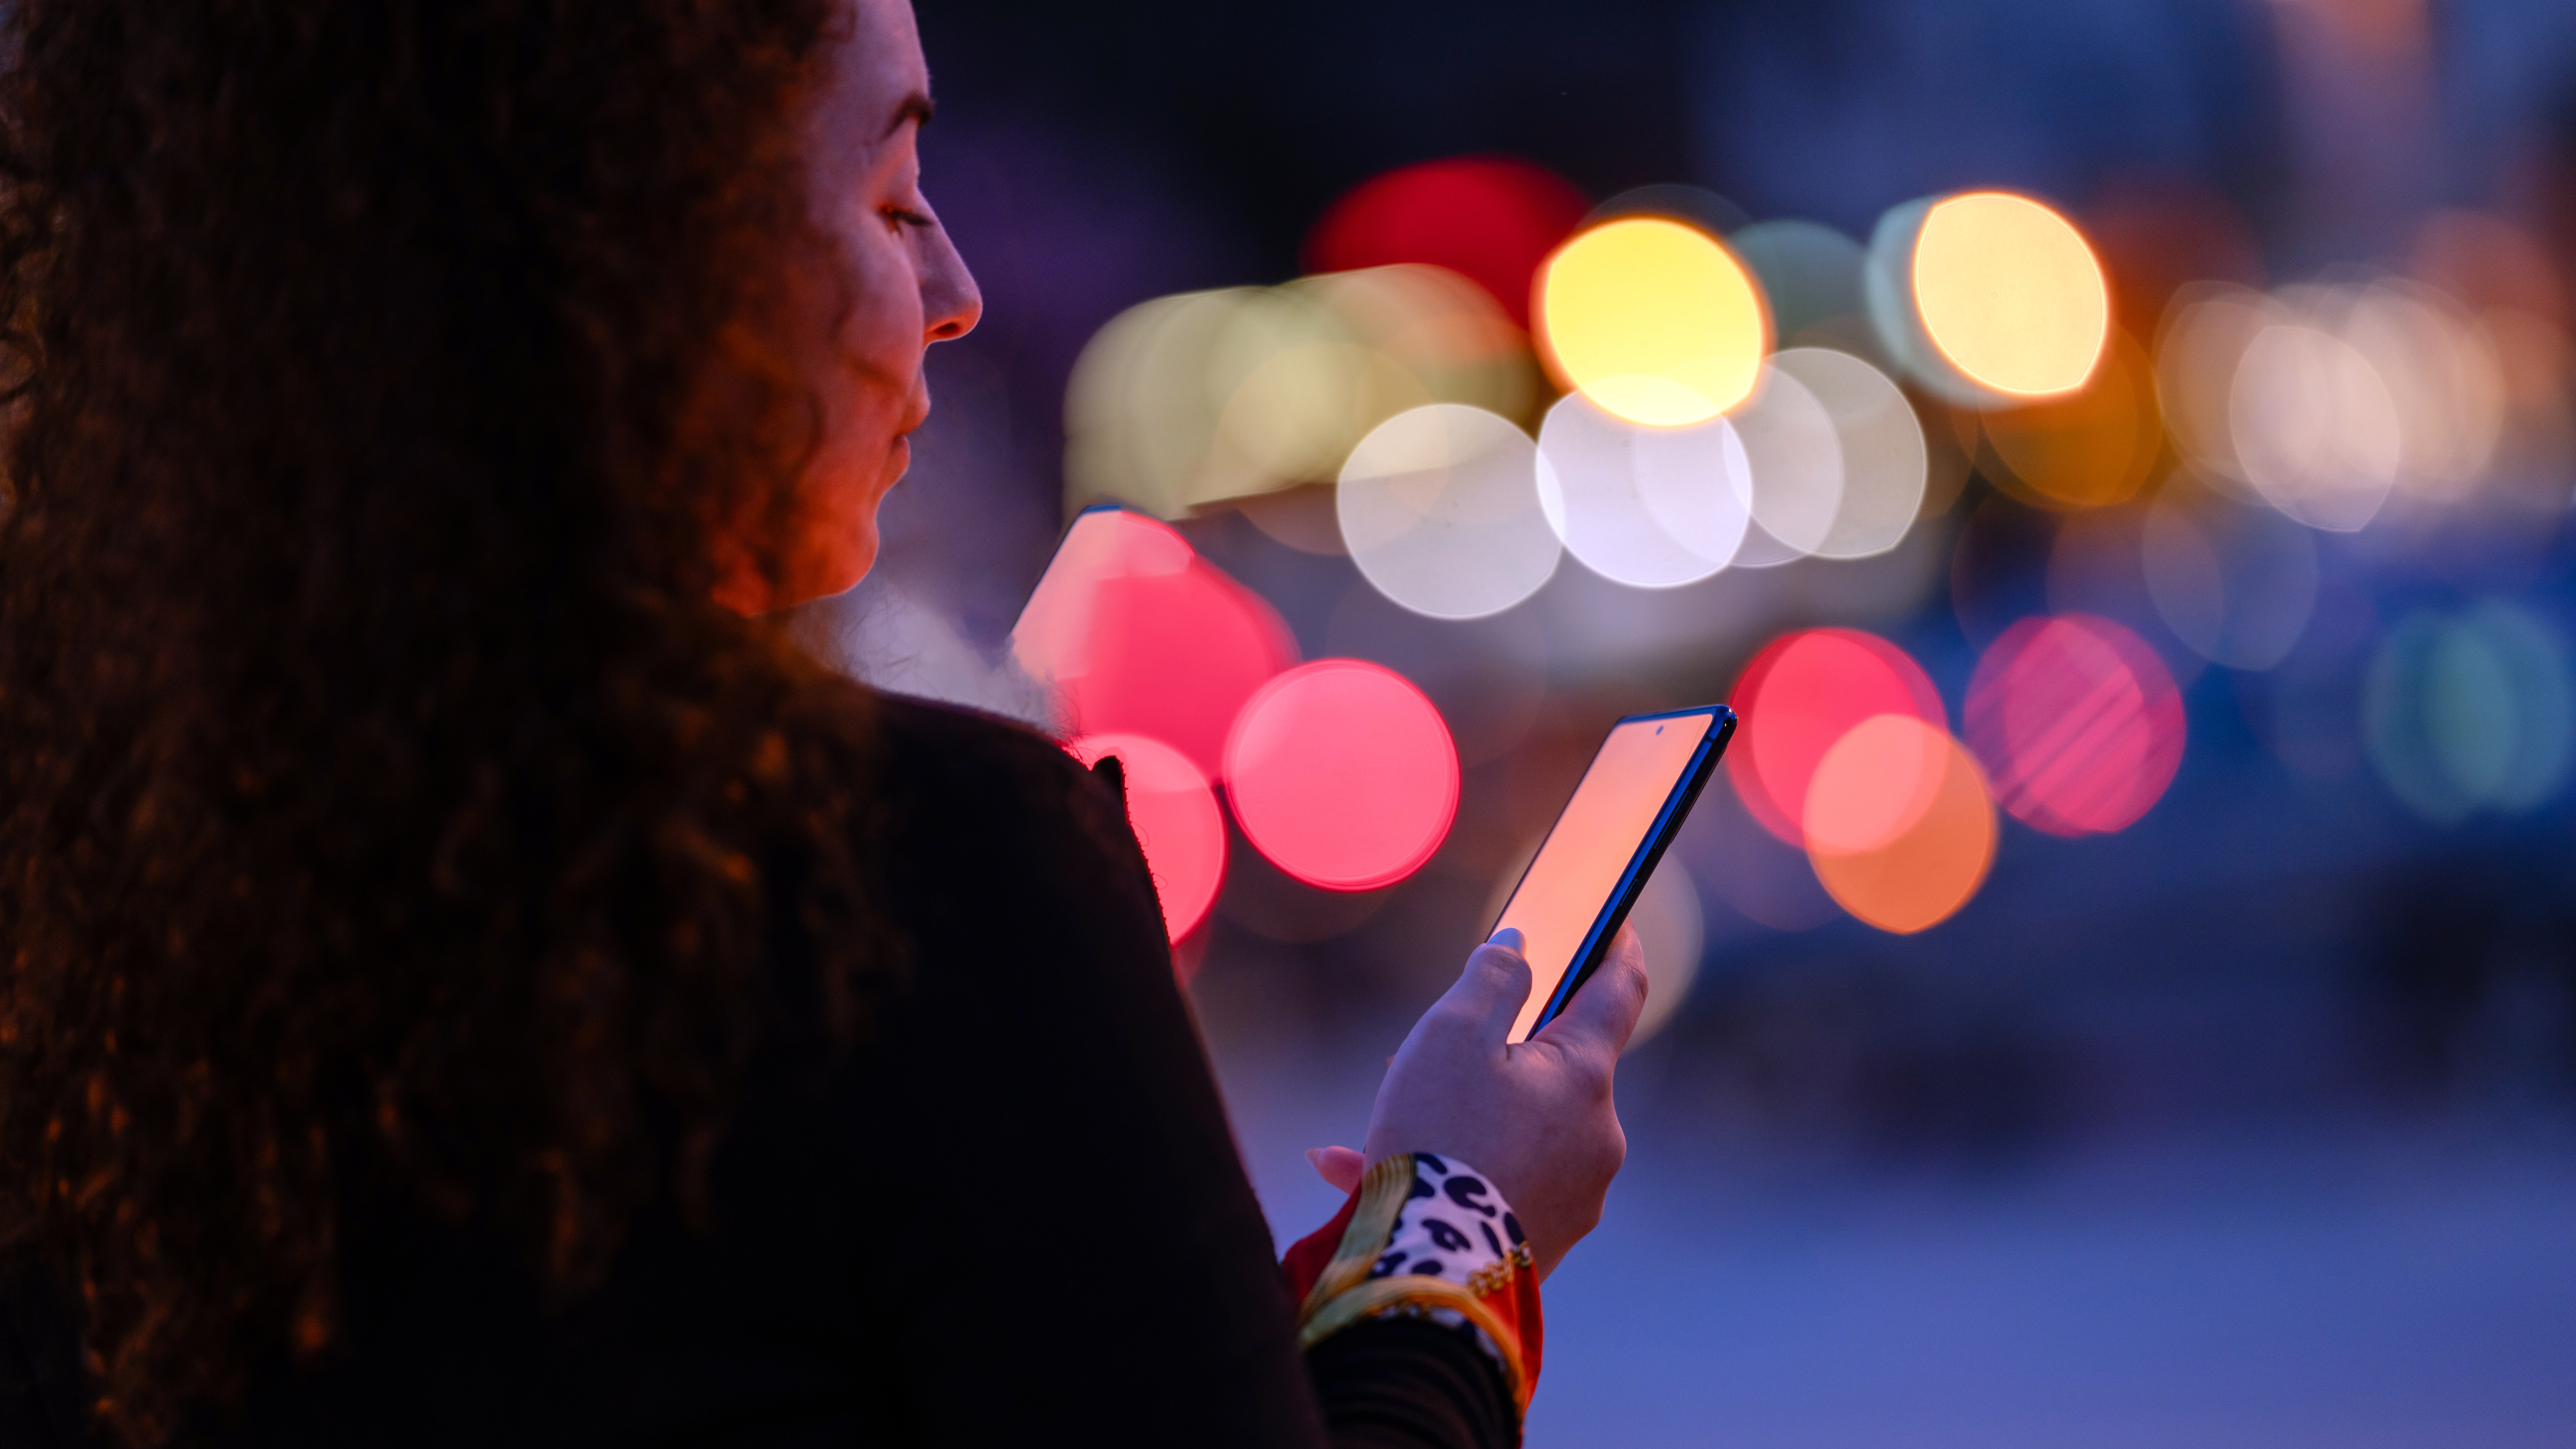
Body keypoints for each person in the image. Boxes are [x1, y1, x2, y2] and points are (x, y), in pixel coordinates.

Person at [0, 1, 1648, 1444]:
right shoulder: (908, 879)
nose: (957, 288)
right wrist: (1453, 1221)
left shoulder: (84, 887)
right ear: (638, 246)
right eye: (890, 193)